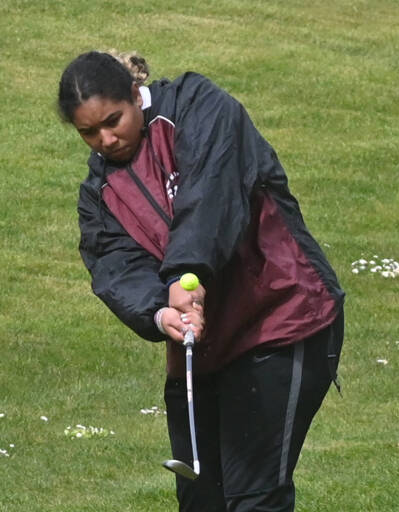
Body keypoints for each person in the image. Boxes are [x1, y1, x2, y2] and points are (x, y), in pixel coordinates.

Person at [57, 50, 345, 512]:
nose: (106, 140)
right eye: (88, 132)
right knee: (200, 500)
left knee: (254, 496)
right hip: (202, 350)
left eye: (114, 120)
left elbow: (210, 195)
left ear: (135, 95)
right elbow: (115, 267)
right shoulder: (99, 195)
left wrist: (184, 277)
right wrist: (160, 311)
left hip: (283, 317)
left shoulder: (198, 106)